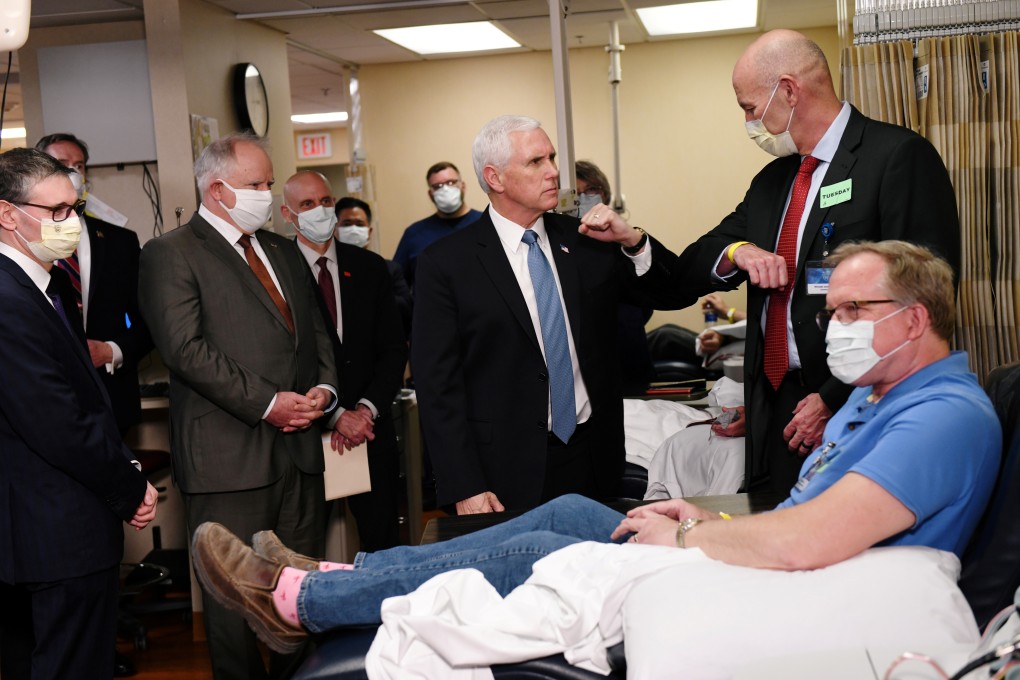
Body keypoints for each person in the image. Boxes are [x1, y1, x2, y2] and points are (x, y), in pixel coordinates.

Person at [192, 240, 999, 656]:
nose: (837, 328)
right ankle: (341, 576)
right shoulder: (881, 396)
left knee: (549, 550)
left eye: (857, 311)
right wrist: (701, 525)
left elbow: (812, 540)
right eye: (835, 310)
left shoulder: (943, 417)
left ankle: (299, 604)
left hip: (820, 590)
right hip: (790, 566)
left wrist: (693, 536)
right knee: (581, 511)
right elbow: (803, 517)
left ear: (915, 319)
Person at [673, 29, 961, 494]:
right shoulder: (772, 182)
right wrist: (737, 251)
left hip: (857, 398)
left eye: (750, 108)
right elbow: (692, 265)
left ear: (788, 91)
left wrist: (832, 399)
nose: (749, 121)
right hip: (774, 402)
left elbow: (927, 299)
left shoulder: (896, 158)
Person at [411, 115, 693, 515]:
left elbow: (673, 292)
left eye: (552, 158)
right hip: (503, 469)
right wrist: (464, 483)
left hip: (593, 455)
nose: (553, 172)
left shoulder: (585, 243)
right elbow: (438, 386)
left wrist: (631, 240)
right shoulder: (446, 264)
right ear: (495, 177)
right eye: (536, 162)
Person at [138, 133, 339, 680]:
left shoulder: (278, 249)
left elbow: (316, 335)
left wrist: (325, 390)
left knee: (301, 599)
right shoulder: (170, 253)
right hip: (229, 459)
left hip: (300, 453)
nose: (268, 195)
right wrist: (269, 402)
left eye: (270, 184)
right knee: (235, 609)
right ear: (220, 190)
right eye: (257, 185)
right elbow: (185, 351)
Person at [0, 148, 158, 680]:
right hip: (53, 533)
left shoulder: (44, 284)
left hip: (52, 529)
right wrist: (130, 485)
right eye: (58, 212)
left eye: (76, 208)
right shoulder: (7, 297)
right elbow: (57, 422)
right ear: (7, 214)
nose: (72, 224)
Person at [283, 172, 408, 550]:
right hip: (305, 433)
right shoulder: (279, 270)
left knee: (381, 539)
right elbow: (282, 357)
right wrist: (338, 415)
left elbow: (392, 348)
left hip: (370, 430)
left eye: (325, 202)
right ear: (288, 215)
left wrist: (365, 411)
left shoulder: (370, 268)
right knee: (304, 547)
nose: (320, 211)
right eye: (307, 205)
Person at [35, 132, 153, 434]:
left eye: (79, 165)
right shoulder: (23, 240)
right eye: (61, 164)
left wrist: (112, 350)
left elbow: (149, 321)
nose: (73, 172)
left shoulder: (120, 242)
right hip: (43, 400)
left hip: (111, 398)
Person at [575, 159, 655, 393]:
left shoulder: (624, 239)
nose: (584, 197)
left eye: (591, 190)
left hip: (629, 356)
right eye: (576, 193)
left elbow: (648, 296)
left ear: (605, 193)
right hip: (585, 368)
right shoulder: (562, 244)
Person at [392, 161, 481, 289]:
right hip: (429, 307)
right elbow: (398, 284)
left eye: (451, 183)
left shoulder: (486, 224)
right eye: (438, 186)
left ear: (463, 186)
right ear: (430, 194)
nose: (445, 189)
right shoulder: (414, 234)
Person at [335, 196, 412, 339]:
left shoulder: (389, 269)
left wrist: (373, 295)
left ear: (369, 231)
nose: (353, 229)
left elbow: (406, 310)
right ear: (334, 230)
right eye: (346, 224)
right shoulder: (326, 270)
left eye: (359, 224)